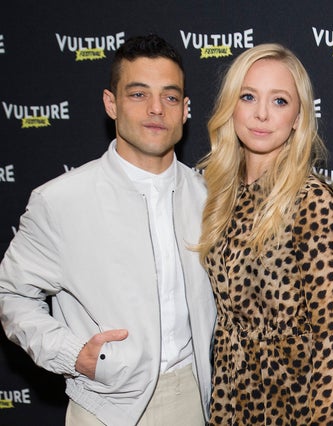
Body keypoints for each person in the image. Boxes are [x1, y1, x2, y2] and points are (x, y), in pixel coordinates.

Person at [0, 34, 215, 425]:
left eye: (169, 97)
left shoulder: (208, 197)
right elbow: (11, 293)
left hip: (194, 401)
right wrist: (74, 353)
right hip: (104, 405)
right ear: (110, 103)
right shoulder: (62, 201)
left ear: (185, 110)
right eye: (138, 94)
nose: (155, 109)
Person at [195, 43, 333, 425]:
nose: (262, 113)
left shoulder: (311, 199)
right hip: (228, 399)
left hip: (292, 403)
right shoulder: (214, 193)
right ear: (232, 105)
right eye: (248, 97)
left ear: (298, 117)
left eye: (279, 101)